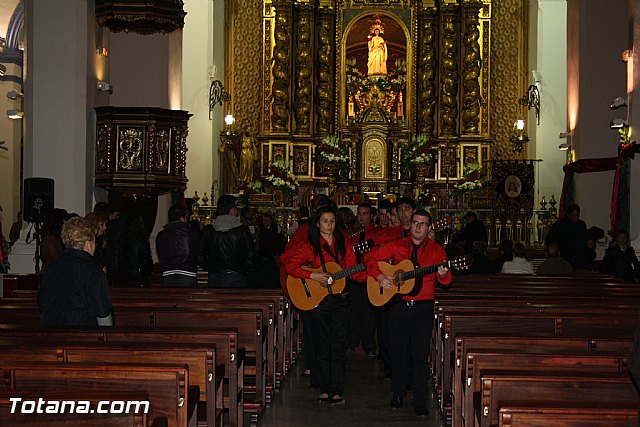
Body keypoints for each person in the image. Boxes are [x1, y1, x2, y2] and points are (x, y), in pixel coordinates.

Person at [366, 209, 452, 416]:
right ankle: (397, 392)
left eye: (423, 224)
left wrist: (444, 273)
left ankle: (420, 400)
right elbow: (370, 258)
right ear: (410, 224)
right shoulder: (396, 246)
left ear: (429, 228)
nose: (418, 227)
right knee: (398, 352)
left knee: (420, 355)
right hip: (398, 305)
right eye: (415, 222)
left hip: (422, 308)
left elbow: (447, 282)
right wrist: (378, 276)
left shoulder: (437, 251)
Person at [281, 204, 365, 405]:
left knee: (337, 345)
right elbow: (290, 264)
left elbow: (355, 270)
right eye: (325, 221)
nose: (329, 224)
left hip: (341, 300)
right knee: (322, 344)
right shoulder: (310, 245)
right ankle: (324, 387)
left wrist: (374, 274)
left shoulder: (344, 243)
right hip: (319, 301)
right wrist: (313, 275)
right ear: (318, 224)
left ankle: (336, 389)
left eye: (332, 221)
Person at [38, 217, 112, 326]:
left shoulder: (52, 268)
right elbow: (103, 313)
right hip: (83, 336)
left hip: (51, 335)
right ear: (88, 244)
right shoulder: (93, 272)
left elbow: (42, 303)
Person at [198, 194, 260, 288]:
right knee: (234, 302)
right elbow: (251, 254)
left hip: (215, 275)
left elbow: (199, 256)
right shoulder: (242, 230)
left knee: (215, 302)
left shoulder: (208, 230)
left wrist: (211, 267)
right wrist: (243, 269)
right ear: (232, 210)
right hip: (237, 275)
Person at [347, 203, 377, 358]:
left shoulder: (376, 232)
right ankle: (351, 343)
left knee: (368, 313)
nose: (362, 217)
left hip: (369, 276)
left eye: (365, 214)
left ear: (371, 216)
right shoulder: (352, 232)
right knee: (352, 310)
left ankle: (369, 346)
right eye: (359, 214)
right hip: (352, 275)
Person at [156, 205, 199, 287]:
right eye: (186, 217)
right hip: (188, 274)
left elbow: (160, 255)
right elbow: (197, 254)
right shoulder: (192, 234)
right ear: (182, 218)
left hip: (167, 274)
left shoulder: (161, 235)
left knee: (169, 299)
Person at [107, 212, 153, 287]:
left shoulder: (119, 237)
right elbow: (146, 260)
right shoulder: (140, 238)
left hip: (121, 278)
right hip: (138, 278)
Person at [545, 203, 594, 268]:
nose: (576, 218)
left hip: (581, 259)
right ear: (568, 215)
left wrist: (589, 243)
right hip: (565, 259)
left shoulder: (581, 224)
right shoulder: (559, 225)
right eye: (574, 215)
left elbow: (585, 238)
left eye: (577, 215)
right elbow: (550, 240)